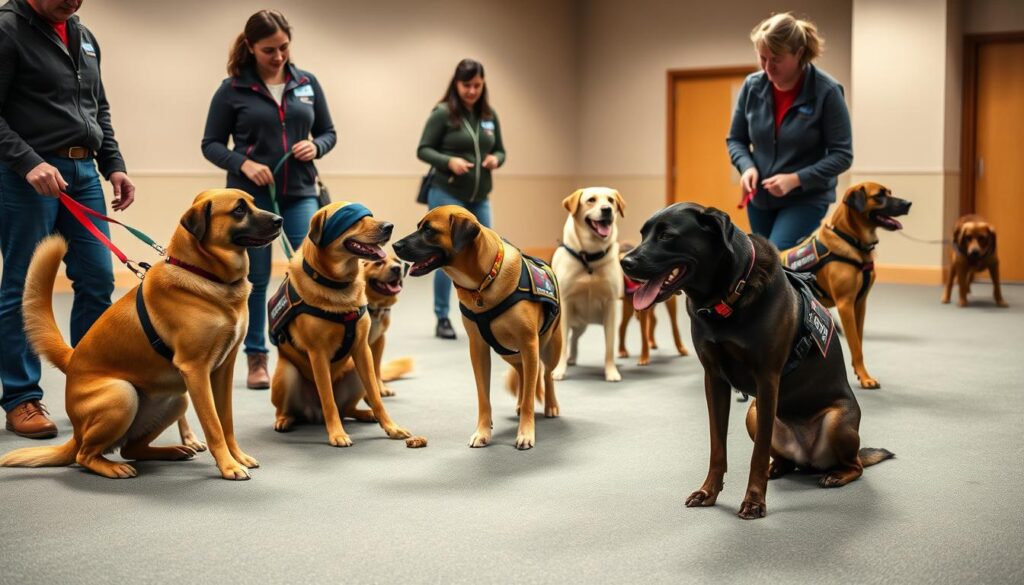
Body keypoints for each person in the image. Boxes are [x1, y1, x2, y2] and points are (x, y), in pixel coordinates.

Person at [0, 0, 136, 438]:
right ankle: (22, 399)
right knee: (24, 287)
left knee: (98, 278)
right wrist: (27, 162)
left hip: (83, 174)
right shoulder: (7, 30)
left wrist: (113, 163)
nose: (72, 1)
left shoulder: (83, 36)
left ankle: (92, 384)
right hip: (29, 177)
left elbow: (99, 108)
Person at [202, 10, 336, 389]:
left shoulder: (307, 83)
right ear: (250, 47)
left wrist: (317, 145)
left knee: (309, 271)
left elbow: (328, 131)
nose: (278, 57)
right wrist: (243, 164)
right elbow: (210, 145)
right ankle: (256, 358)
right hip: (251, 203)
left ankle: (308, 351)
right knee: (257, 279)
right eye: (268, 50)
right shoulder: (232, 90)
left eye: (283, 48)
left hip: (301, 194)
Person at [726, 12, 853, 251]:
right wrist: (747, 167)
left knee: (777, 260)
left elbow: (842, 155)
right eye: (762, 58)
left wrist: (796, 179)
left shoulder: (827, 91)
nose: (767, 67)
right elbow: (736, 139)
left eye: (776, 59)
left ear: (798, 53)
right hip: (760, 200)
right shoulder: (752, 86)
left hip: (805, 199)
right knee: (764, 264)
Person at [417, 58, 506, 339]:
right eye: (467, 85)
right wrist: (449, 161)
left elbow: (502, 150)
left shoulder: (489, 115)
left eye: (477, 85)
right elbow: (424, 149)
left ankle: (485, 309)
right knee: (446, 254)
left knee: (487, 250)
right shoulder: (442, 113)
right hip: (447, 192)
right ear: (456, 84)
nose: (472, 91)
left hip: (480, 196)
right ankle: (442, 316)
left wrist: (496, 159)